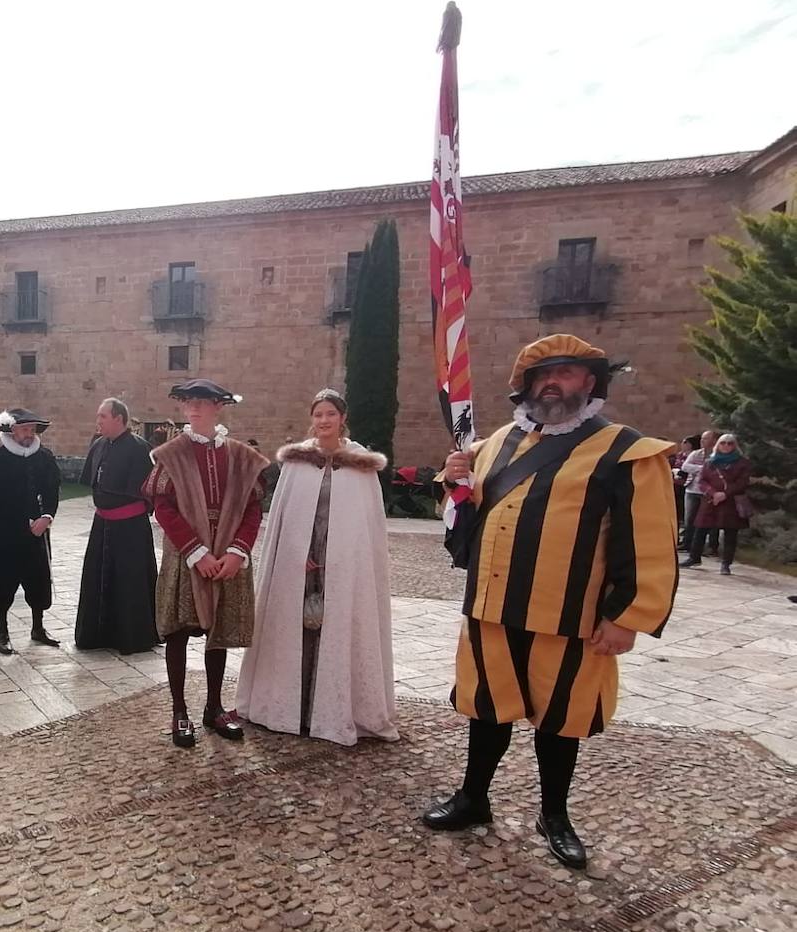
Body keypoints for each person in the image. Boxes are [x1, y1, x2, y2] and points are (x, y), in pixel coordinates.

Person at [421, 335, 678, 869]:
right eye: (542, 375)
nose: (552, 383)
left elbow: (648, 541)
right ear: (526, 387)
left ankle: (554, 815)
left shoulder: (628, 451)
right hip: (491, 610)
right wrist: (455, 486)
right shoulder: (493, 445)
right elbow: (467, 534)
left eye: (566, 373)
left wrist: (626, 618)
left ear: (591, 382)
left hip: (571, 619)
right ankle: (474, 798)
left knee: (561, 721)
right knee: (486, 712)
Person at [236, 390, 398, 744]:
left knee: (336, 630)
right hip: (301, 563)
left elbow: (363, 527)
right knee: (298, 633)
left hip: (343, 564)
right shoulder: (296, 463)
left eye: (330, 414)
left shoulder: (361, 465)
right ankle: (292, 708)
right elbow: (286, 518)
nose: (323, 420)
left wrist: (337, 556)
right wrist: (300, 554)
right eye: (318, 414)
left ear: (342, 418)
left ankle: (331, 711)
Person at [143, 380, 268, 748]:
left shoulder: (241, 456)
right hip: (186, 557)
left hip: (227, 555)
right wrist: (197, 551)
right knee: (179, 632)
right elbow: (162, 506)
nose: (194, 410)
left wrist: (237, 552)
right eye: (189, 404)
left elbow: (252, 507)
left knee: (219, 636)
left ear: (219, 408)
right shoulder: (171, 454)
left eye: (202, 403)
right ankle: (179, 710)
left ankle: (214, 707)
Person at [0, 408, 62, 655]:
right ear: (12, 430)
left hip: (36, 533)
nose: (29, 434)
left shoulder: (44, 457)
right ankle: (3, 632)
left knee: (38, 580)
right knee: (3, 583)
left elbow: (52, 490)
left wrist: (46, 517)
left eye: (32, 429)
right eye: (24, 429)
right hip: (4, 535)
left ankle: (38, 628)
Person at [75, 398, 158, 654]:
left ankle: (132, 637)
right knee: (97, 579)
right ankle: (97, 635)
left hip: (130, 528)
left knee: (129, 582)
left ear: (119, 418)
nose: (98, 421)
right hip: (102, 524)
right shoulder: (99, 444)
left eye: (103, 416)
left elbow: (146, 493)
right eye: (98, 416)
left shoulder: (139, 448)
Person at [681, 433, 752, 575]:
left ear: (735, 445)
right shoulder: (710, 461)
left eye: (730, 443)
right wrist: (713, 492)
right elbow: (702, 480)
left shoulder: (742, 463)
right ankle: (694, 557)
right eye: (723, 443)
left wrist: (724, 493)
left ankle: (726, 563)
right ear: (718, 444)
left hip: (730, 502)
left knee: (730, 533)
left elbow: (742, 482)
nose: (726, 446)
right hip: (710, 500)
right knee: (700, 529)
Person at [679, 430, 718, 555]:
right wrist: (703, 469)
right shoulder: (696, 453)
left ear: (714, 441)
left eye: (706, 439)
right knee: (689, 519)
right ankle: (687, 544)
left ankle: (707, 547)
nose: (702, 441)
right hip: (692, 489)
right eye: (702, 439)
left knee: (705, 521)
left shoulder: (716, 455)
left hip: (707, 492)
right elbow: (685, 466)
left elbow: (717, 472)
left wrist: (701, 470)